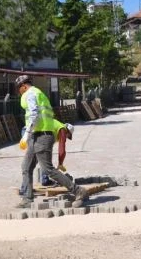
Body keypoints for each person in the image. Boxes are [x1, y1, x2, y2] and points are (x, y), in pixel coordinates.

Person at [15, 74, 87, 209]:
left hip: (42, 135)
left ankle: (78, 191)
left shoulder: (30, 94)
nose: (19, 93)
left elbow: (34, 114)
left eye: (19, 89)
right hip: (37, 135)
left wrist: (26, 135)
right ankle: (27, 198)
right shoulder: (38, 93)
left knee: (47, 169)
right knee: (26, 166)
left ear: (23, 86)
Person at [26, 120, 74, 190]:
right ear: (68, 131)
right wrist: (60, 163)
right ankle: (44, 180)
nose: (66, 137)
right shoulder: (62, 129)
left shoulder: (56, 127)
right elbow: (62, 150)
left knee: (33, 162)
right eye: (68, 136)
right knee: (43, 159)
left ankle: (27, 187)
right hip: (33, 132)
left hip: (29, 130)